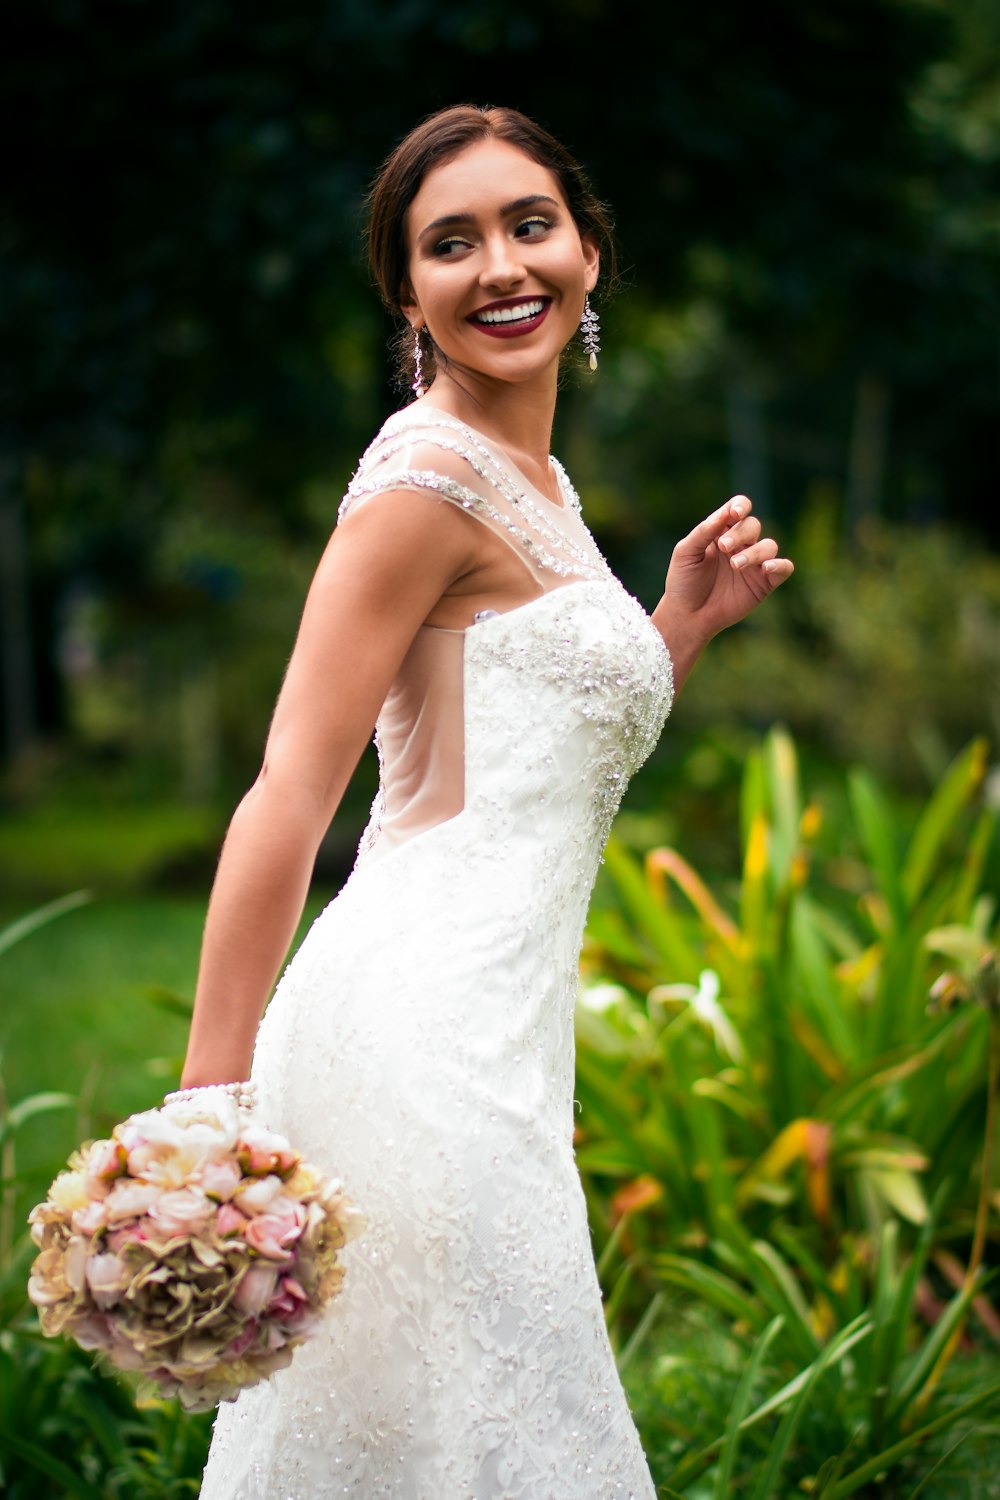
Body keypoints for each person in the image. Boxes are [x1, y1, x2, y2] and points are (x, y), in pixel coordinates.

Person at [189, 104, 793, 1499]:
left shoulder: (538, 483)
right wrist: (204, 1109)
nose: (502, 266)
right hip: (419, 1045)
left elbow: (486, 763)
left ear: (588, 249)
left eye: (530, 224)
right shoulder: (423, 480)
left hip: (501, 1046)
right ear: (408, 295)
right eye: (450, 243)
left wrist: (673, 633)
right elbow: (292, 788)